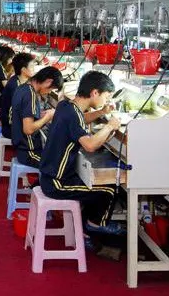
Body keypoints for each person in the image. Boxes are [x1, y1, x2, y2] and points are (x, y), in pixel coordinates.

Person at [40, 70, 125, 236]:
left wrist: (102, 112)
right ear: (95, 93)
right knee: (108, 191)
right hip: (57, 183)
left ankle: (85, 227)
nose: (107, 100)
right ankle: (93, 226)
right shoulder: (73, 114)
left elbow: (80, 119)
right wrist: (110, 126)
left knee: (95, 186)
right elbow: (90, 146)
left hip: (49, 175)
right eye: (106, 96)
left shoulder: (66, 106)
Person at [10, 66, 63, 168]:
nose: (49, 92)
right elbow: (28, 129)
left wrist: (40, 116)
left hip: (21, 146)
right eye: (51, 89)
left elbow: (23, 115)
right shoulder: (30, 95)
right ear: (48, 81)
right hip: (29, 152)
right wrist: (47, 117)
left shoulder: (23, 87)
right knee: (60, 166)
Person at [1, 53, 34, 139]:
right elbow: (14, 116)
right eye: (32, 66)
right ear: (23, 70)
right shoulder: (16, 87)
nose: (34, 69)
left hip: (13, 124)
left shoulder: (18, 79)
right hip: (11, 128)